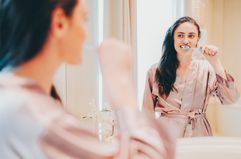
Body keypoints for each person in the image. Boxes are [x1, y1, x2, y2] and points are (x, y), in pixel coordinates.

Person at [0, 0, 174, 158]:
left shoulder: (12, 98)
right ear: (59, 23)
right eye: (84, 18)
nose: (86, 33)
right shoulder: (35, 114)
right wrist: (120, 83)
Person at [142, 16, 240, 138]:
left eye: (191, 36)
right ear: (173, 38)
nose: (186, 41)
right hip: (167, 135)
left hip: (198, 133)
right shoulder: (156, 71)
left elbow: (231, 99)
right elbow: (147, 113)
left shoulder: (207, 69)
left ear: (197, 39)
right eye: (180, 35)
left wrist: (215, 63)